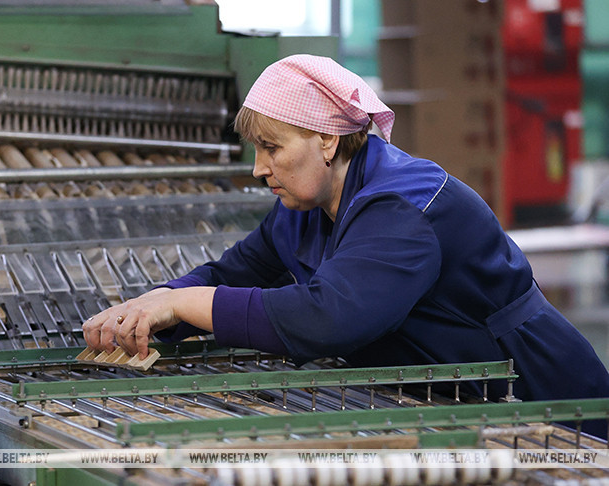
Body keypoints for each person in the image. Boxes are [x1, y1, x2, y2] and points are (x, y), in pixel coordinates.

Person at [82, 54, 609, 427]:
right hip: (445, 397)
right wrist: (152, 307)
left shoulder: (404, 206)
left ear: (327, 139)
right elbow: (231, 274)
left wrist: (183, 302)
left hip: (536, 398)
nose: (259, 168)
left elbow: (328, 318)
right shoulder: (304, 209)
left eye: (271, 147)